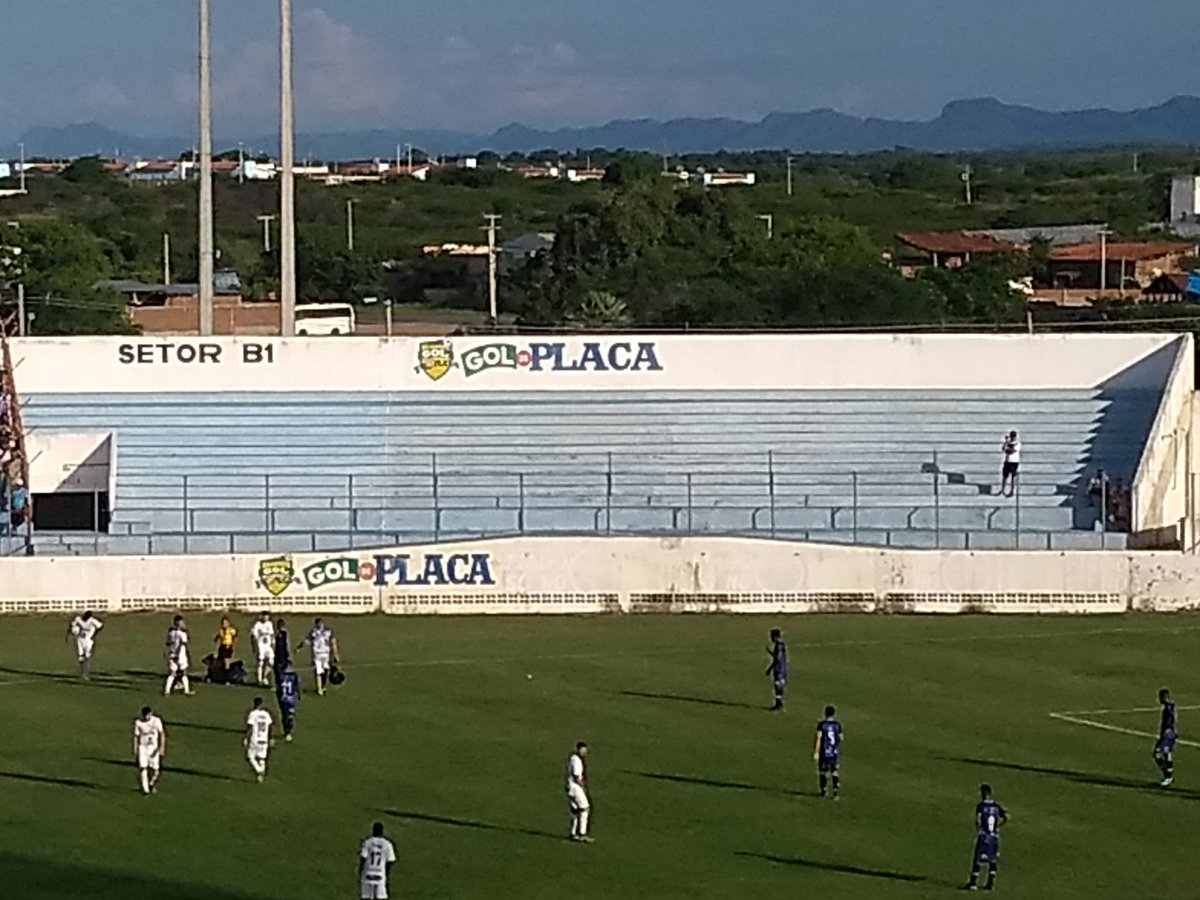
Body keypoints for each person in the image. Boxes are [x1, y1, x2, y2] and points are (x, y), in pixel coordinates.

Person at [964, 783, 1008, 891]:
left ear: (983, 793)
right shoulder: (996, 806)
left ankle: (973, 883)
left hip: (984, 835)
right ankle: (990, 883)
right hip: (994, 836)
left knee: (978, 858)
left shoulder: (981, 806)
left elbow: (978, 820)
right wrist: (998, 827)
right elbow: (1006, 817)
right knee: (993, 859)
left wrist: (979, 829)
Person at [297, 617, 339, 696]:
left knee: (325, 671)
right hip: (317, 654)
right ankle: (319, 688)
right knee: (318, 671)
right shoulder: (313, 632)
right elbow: (306, 641)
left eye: (320, 623)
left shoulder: (328, 631)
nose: (319, 625)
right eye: (318, 624)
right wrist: (299, 648)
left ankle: (322, 686)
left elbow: (333, 642)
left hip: (326, 654)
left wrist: (335, 654)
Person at [132, 705, 166, 796]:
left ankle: (151, 783)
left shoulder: (156, 721)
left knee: (155, 770)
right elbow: (136, 736)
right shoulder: (138, 723)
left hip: (153, 747)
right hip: (143, 747)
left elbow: (161, 734)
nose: (147, 717)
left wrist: (161, 747)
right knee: (143, 768)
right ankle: (145, 789)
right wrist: (135, 748)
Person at [359, 821, 397, 900]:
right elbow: (390, 862)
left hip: (367, 875)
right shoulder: (387, 844)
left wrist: (360, 873)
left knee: (366, 897)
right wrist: (387, 876)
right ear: (382, 831)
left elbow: (363, 858)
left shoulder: (367, 842)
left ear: (372, 830)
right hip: (380, 875)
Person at [813, 705, 843, 799]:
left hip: (824, 752)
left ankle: (823, 791)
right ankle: (835, 792)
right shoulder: (837, 724)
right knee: (834, 771)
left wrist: (816, 751)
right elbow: (840, 738)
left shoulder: (822, 724)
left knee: (823, 772)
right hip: (834, 752)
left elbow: (819, 737)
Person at [565, 741, 592, 843]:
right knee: (585, 808)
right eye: (582, 750)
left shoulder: (573, 758)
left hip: (569, 787)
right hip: (575, 788)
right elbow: (576, 776)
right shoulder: (576, 760)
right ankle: (582, 834)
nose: (584, 752)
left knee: (575, 810)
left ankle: (573, 833)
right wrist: (583, 787)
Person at [244, 696, 273, 783]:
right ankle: (261, 772)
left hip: (255, 738)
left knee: (250, 757)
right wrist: (271, 737)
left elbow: (250, 727)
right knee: (262, 758)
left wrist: (246, 737)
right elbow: (270, 726)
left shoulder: (253, 714)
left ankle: (259, 770)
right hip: (264, 739)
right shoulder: (266, 714)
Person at [67, 610, 103, 679]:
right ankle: (82, 673)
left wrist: (94, 634)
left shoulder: (92, 621)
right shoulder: (78, 619)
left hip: (88, 640)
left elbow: (100, 626)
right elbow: (72, 625)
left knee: (87, 656)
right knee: (80, 657)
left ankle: (86, 673)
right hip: (80, 639)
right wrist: (71, 631)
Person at [164, 615, 194, 696]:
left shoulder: (170, 633)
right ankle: (187, 690)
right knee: (184, 673)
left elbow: (167, 643)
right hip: (180, 656)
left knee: (172, 673)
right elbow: (183, 644)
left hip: (172, 654)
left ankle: (167, 691)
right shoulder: (182, 633)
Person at [1154, 688, 1177, 787]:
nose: (1159, 699)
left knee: (1157, 754)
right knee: (1167, 754)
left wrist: (1167, 731)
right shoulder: (1169, 706)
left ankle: (1168, 776)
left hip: (1168, 734)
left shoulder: (1168, 707)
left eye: (1160, 697)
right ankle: (1168, 776)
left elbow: (1170, 720)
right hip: (1168, 734)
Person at [250, 612, 276, 686]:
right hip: (260, 646)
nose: (266, 618)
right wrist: (254, 647)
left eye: (267, 617)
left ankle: (264, 675)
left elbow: (271, 634)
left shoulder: (269, 624)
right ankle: (259, 679)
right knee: (260, 663)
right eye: (265, 616)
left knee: (272, 661)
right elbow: (253, 636)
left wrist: (273, 643)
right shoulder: (257, 625)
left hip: (268, 646)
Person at [765, 628, 787, 711]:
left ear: (775, 636)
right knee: (778, 686)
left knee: (778, 686)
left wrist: (770, 652)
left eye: (771, 636)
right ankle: (779, 702)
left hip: (780, 669)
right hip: (780, 668)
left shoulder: (779, 645)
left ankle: (778, 704)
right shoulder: (780, 644)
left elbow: (778, 658)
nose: (770, 638)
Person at [276, 667, 300, 742]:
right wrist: (298, 694)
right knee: (289, 716)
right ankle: (288, 731)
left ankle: (287, 731)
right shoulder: (293, 676)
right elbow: (296, 686)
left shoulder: (281, 676)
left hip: (284, 699)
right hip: (291, 699)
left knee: (285, 716)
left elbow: (279, 688)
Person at [1000, 431, 1020, 498]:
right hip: (1007, 461)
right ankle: (1002, 489)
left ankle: (1012, 491)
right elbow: (1003, 449)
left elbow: (1012, 451)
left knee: (1013, 477)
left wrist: (1007, 449)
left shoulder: (1017, 443)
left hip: (1014, 461)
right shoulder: (1008, 442)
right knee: (1005, 476)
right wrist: (1006, 442)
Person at [273, 617, 292, 684]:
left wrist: (289, 655)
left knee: (280, 670)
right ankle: (279, 683)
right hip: (279, 654)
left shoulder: (284, 634)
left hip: (282, 654)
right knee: (277, 670)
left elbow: (287, 644)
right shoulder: (277, 634)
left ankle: (281, 682)